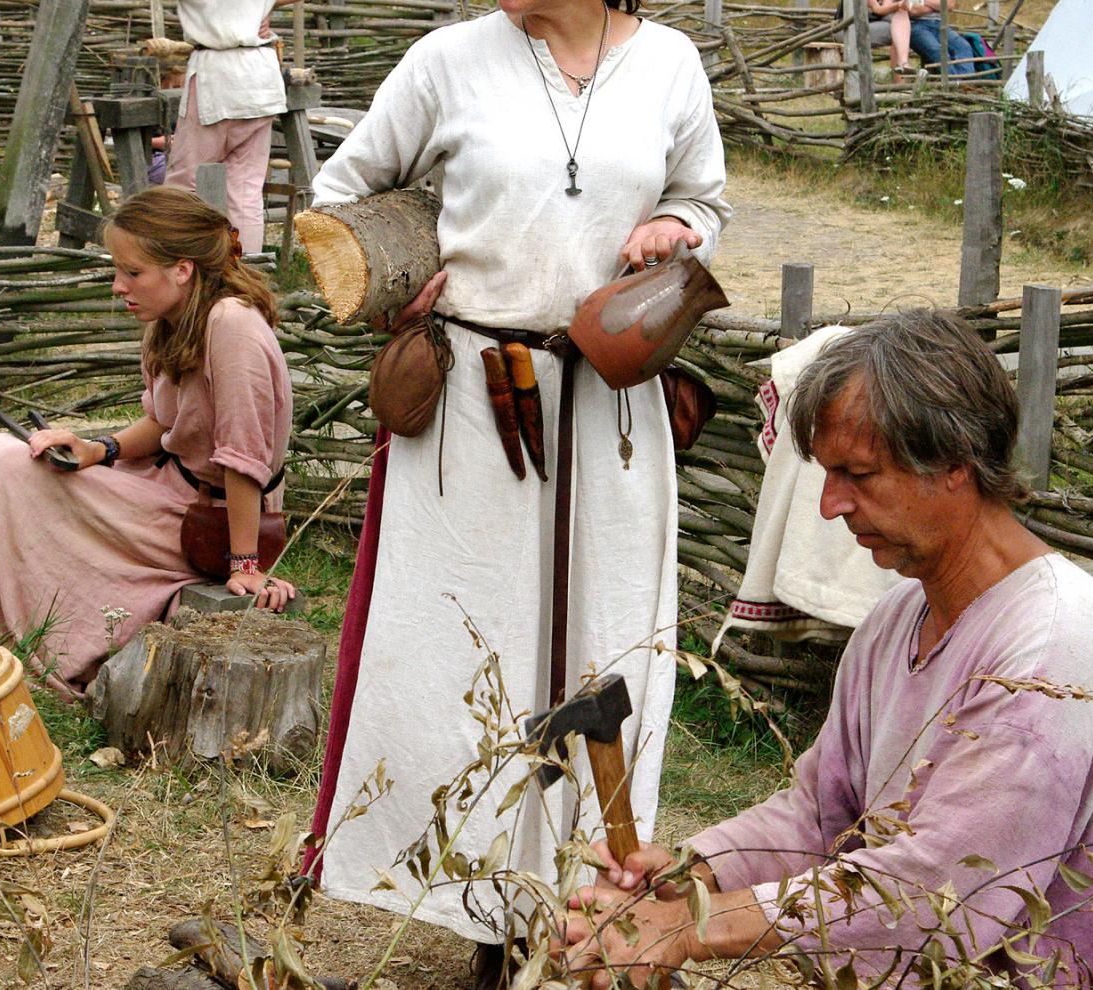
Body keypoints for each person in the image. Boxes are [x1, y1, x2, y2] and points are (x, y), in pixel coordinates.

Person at [557, 311, 1093, 988]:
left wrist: (694, 927)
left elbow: (937, 895)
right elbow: (823, 812)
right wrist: (692, 876)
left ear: (955, 461)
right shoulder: (898, 618)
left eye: (858, 474)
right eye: (827, 475)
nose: (830, 505)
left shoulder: (1054, 643)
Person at [302, 0, 730, 981]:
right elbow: (340, 197)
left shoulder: (667, 65)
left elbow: (704, 203)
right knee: (460, 652)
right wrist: (394, 275)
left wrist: (674, 225)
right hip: (472, 403)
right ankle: (476, 900)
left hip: (611, 408)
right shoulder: (447, 60)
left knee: (603, 645)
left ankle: (580, 892)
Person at [0, 187, 296, 701]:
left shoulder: (232, 328)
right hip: (169, 489)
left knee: (10, 474)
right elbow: (161, 423)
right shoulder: (173, 321)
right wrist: (96, 449)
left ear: (182, 270)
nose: (118, 285)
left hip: (209, 516)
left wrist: (244, 565)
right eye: (117, 270)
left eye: (133, 272)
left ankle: (26, 647)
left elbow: (243, 461)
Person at [162, 0, 302, 255]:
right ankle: (246, 277)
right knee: (245, 192)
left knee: (183, 185)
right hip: (258, 74)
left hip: (218, 75)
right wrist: (260, 8)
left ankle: (174, 270)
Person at [901, 0, 992, 80]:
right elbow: (912, 10)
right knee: (937, 50)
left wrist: (923, 1)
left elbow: (949, 5)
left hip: (939, 24)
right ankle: (956, 84)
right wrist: (938, 6)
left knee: (963, 46)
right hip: (914, 25)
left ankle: (965, 82)